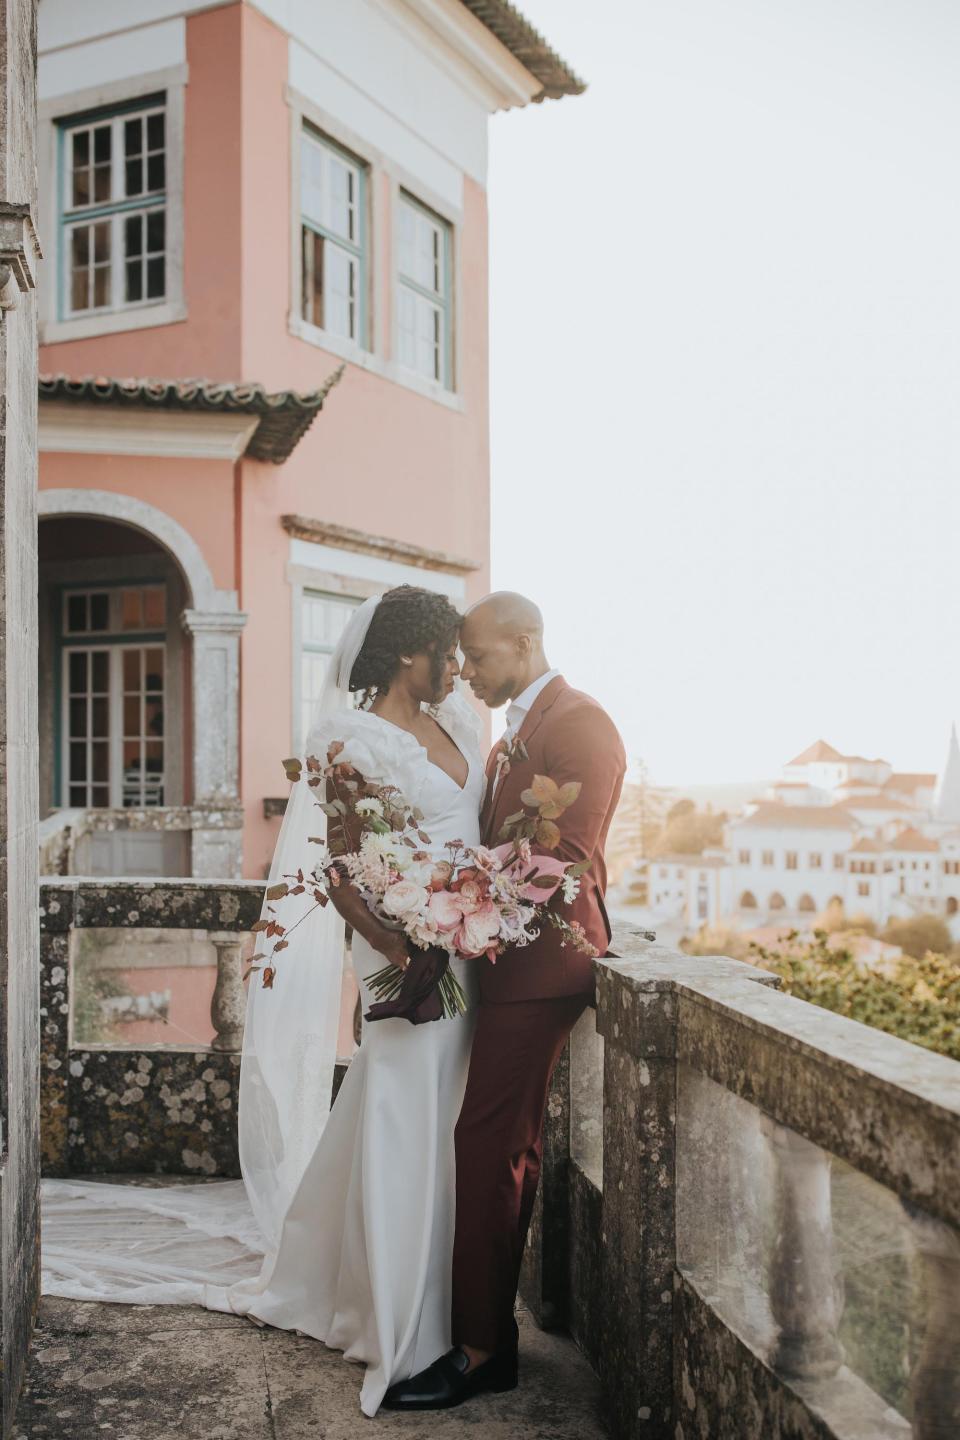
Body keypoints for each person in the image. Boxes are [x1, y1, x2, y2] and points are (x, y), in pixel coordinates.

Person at [383, 591, 626, 1411]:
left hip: (544, 971)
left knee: (490, 1148)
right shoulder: (514, 731)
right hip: (501, 964)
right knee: (494, 1147)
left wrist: (451, 910)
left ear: (524, 643)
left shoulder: (580, 723)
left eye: (480, 657)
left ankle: (483, 1349)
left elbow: (560, 859)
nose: (469, 672)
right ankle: (484, 1337)